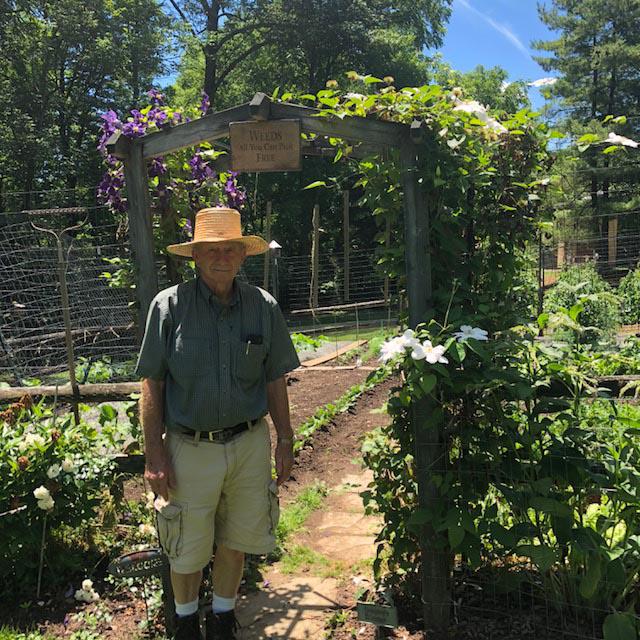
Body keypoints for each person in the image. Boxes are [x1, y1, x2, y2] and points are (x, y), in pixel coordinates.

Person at [135, 207, 300, 640]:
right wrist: (153, 455)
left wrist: (285, 439)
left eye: (230, 249)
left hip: (248, 444)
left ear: (243, 255)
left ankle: (223, 618)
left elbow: (274, 377)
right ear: (196, 256)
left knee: (237, 536)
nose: (221, 257)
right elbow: (152, 383)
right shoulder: (169, 307)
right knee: (186, 547)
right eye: (212, 250)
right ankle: (186, 623)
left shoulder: (262, 307)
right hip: (190, 448)